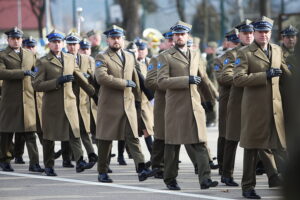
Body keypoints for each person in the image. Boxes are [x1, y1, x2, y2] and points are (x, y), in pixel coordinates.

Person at [157, 21, 218, 190]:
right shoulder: (165, 56)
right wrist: (186, 80)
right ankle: (170, 179)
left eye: (182, 34)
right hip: (176, 108)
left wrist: (209, 100)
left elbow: (203, 78)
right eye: (176, 35)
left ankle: (205, 179)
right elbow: (161, 82)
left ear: (187, 36)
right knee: (173, 145)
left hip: (194, 106)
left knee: (200, 143)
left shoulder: (195, 54)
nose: (179, 37)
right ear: (173, 37)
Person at [233, 16, 290, 199]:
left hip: (275, 108)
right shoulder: (245, 53)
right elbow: (238, 79)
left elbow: (285, 73)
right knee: (251, 148)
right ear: (254, 33)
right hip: (255, 109)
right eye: (260, 32)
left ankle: (279, 179)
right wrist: (264, 75)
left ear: (270, 33)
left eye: (266, 32)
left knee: (280, 145)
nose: (264, 35)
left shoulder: (276, 49)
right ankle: (247, 187)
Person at [32, 29, 96, 176]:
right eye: (54, 42)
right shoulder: (42, 62)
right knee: (49, 137)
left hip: (70, 104)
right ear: (49, 43)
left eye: (59, 42)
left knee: (74, 133)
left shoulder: (69, 58)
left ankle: (79, 160)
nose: (57, 44)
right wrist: (57, 81)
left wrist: (93, 93)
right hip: (52, 106)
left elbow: (80, 77)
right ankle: (49, 165)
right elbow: (36, 85)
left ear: (62, 43)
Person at [94, 25, 153, 183]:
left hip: (128, 105)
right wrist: (124, 83)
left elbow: (135, 79)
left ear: (123, 40)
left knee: (133, 137)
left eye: (118, 38)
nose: (116, 41)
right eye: (113, 38)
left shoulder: (129, 56)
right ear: (108, 40)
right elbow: (101, 78)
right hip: (109, 106)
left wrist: (139, 101)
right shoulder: (102, 57)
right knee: (105, 141)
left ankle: (141, 168)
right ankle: (102, 171)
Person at [0, 27, 43, 173]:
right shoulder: (3, 55)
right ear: (8, 40)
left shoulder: (29, 54)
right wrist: (22, 72)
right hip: (10, 100)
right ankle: (5, 160)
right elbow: (1, 72)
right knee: (7, 132)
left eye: (18, 38)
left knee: (30, 133)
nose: (16, 41)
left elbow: (36, 70)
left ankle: (34, 163)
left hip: (28, 99)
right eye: (13, 38)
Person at [220, 20, 254, 186]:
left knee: (260, 138)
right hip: (238, 101)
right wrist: (243, 78)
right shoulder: (231, 55)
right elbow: (224, 77)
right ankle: (227, 174)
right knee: (232, 139)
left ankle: (268, 172)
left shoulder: (260, 51)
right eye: (245, 33)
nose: (248, 36)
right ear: (238, 35)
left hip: (256, 102)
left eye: (250, 33)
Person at [65, 32, 98, 169]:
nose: (72, 47)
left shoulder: (86, 59)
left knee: (84, 130)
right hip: (68, 99)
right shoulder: (63, 58)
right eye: (70, 44)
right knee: (73, 131)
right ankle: (79, 159)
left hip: (84, 100)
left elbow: (94, 76)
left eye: (74, 44)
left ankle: (91, 154)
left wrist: (87, 76)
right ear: (66, 45)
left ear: (78, 45)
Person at [214, 29, 240, 175]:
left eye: (238, 42)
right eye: (234, 42)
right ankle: (223, 164)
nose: (236, 45)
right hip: (228, 99)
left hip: (246, 98)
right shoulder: (221, 59)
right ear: (227, 42)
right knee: (226, 134)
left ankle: (260, 165)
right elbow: (221, 79)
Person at [14, 36, 43, 164]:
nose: (31, 48)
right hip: (23, 99)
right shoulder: (20, 60)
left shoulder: (41, 61)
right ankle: (18, 154)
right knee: (22, 130)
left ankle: (48, 154)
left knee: (39, 128)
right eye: (28, 46)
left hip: (38, 99)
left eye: (33, 46)